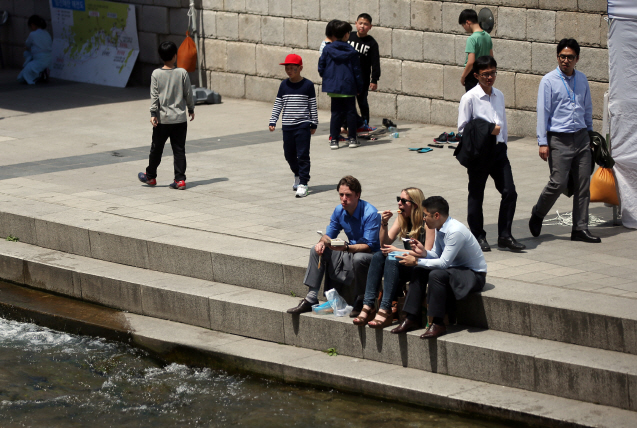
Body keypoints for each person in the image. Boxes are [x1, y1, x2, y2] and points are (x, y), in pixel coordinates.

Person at [529, 39, 600, 243]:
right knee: (558, 183)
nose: (565, 60)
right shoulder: (549, 81)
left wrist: (590, 134)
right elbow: (543, 112)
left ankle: (580, 228)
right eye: (562, 56)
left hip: (581, 137)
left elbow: (587, 108)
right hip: (558, 139)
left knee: (583, 184)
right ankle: (538, 212)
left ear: (577, 59)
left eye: (570, 57)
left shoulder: (583, 79)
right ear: (557, 57)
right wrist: (543, 142)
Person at [393, 196, 487, 339]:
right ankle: (411, 317)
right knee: (419, 271)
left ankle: (438, 323)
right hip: (455, 270)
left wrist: (417, 261)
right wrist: (423, 253)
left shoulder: (455, 231)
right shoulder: (439, 226)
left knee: (436, 274)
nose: (424, 218)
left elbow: (443, 263)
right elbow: (437, 254)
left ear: (436, 215)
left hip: (474, 275)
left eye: (425, 215)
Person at [457, 56, 525, 252]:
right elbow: (462, 128)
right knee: (477, 195)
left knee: (510, 191)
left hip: (498, 150)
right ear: (476, 75)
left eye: (493, 73)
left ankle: (505, 235)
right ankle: (478, 236)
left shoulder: (499, 95)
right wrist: (487, 129)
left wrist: (502, 142)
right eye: (485, 74)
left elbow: (502, 122)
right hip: (479, 152)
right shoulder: (469, 98)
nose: (490, 77)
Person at [287, 176, 381, 317]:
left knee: (359, 257)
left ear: (358, 195)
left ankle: (361, 300)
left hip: (369, 255)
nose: (344, 199)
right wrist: (322, 242)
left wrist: (346, 248)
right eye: (341, 195)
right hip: (350, 250)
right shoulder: (339, 210)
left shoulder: (371, 213)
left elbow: (369, 246)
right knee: (316, 249)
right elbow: (328, 235)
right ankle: (311, 298)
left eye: (348, 195)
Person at [353, 188, 435, 329]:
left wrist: (398, 251)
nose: (399, 204)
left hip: (421, 265)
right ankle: (368, 305)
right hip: (406, 263)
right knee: (379, 255)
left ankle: (385, 309)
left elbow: (427, 252)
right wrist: (384, 224)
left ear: (415, 204)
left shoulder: (427, 221)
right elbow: (384, 243)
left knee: (392, 258)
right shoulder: (402, 217)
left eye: (403, 201)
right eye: (399, 199)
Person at [138, 41, 195, 190]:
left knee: (156, 149)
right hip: (180, 120)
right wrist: (191, 108)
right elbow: (188, 93)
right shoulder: (182, 73)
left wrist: (153, 113)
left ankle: (150, 176)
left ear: (161, 56)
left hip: (162, 120)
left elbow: (154, 95)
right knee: (179, 150)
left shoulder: (156, 74)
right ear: (175, 55)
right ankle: (180, 180)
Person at [269, 54, 318, 198]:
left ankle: (303, 183)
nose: (289, 71)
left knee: (303, 155)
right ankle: (297, 174)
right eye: (287, 68)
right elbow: (278, 103)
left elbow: (312, 106)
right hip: (287, 126)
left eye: (292, 68)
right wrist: (273, 121)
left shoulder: (308, 85)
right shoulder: (284, 85)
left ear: (300, 68)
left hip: (303, 126)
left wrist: (314, 122)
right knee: (289, 154)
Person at [318, 21, 364, 150]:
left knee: (336, 113)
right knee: (350, 113)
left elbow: (321, 65)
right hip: (349, 86)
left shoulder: (327, 49)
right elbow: (357, 72)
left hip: (334, 86)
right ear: (346, 35)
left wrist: (327, 77)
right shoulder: (352, 51)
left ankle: (334, 139)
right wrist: (359, 87)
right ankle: (352, 139)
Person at [347, 13, 380, 131]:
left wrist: (374, 79)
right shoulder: (348, 37)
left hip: (362, 80)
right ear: (355, 24)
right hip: (347, 78)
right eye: (360, 23)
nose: (362, 26)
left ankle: (364, 124)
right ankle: (347, 126)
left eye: (365, 24)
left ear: (370, 27)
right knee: (347, 103)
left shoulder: (372, 43)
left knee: (362, 103)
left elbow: (375, 62)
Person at [458, 9, 493, 92]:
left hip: (472, 76)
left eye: (463, 25)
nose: (465, 28)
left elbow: (471, 62)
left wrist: (463, 77)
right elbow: (491, 57)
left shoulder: (472, 39)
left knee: (472, 102)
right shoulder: (487, 36)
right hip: (484, 75)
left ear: (468, 22)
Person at [17, 15, 52, 85]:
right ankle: (41, 74)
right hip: (49, 59)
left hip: (39, 60)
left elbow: (27, 44)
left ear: (32, 25)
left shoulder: (33, 34)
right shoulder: (46, 33)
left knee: (21, 78)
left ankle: (39, 76)